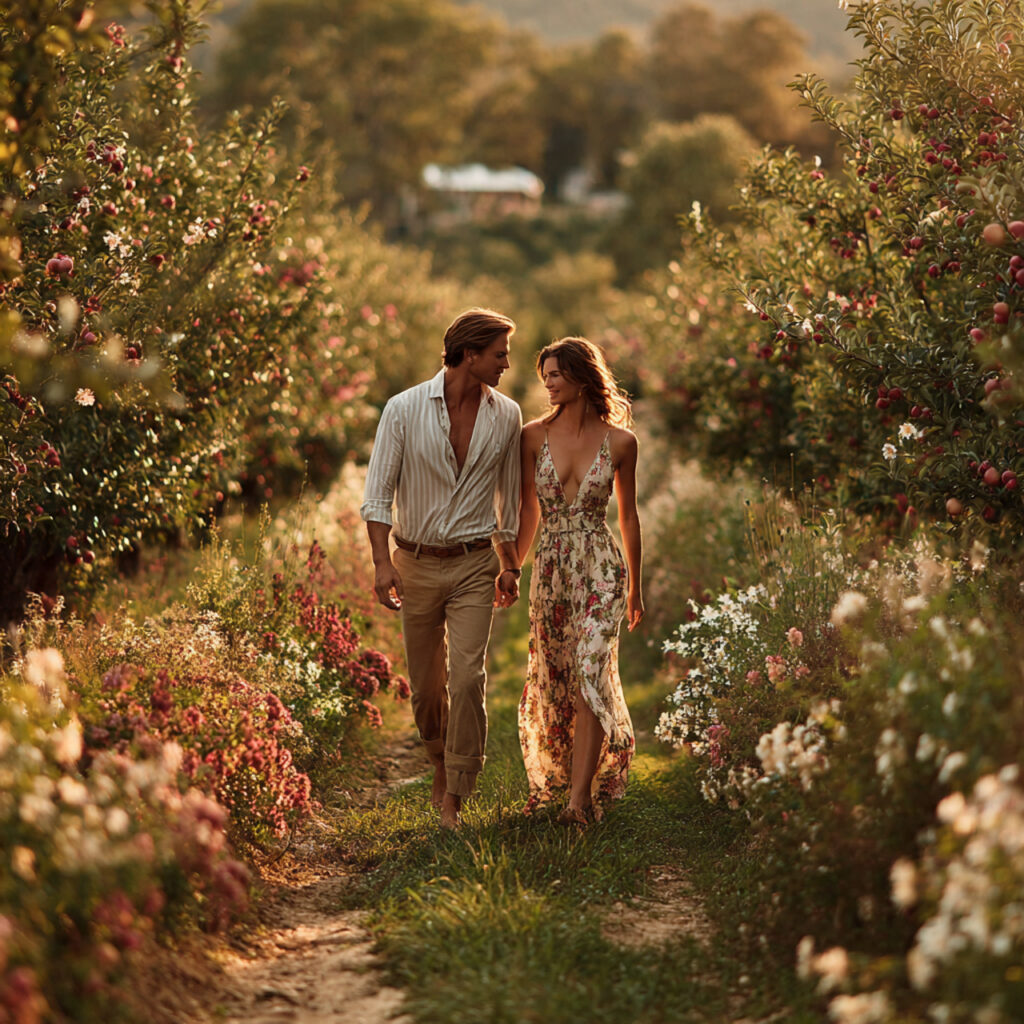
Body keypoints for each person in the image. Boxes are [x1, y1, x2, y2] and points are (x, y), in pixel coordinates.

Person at [360, 308, 523, 830]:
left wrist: (509, 563)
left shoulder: (508, 414)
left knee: (469, 676)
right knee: (428, 688)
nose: (506, 363)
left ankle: (455, 791)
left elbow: (511, 499)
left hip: (475, 564)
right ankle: (437, 760)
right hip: (416, 563)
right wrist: (382, 563)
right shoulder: (403, 408)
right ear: (469, 354)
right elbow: (377, 494)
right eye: (499, 353)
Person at [516, 336, 643, 825]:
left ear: (581, 376)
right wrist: (512, 567)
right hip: (550, 569)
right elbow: (528, 510)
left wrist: (635, 586)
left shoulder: (622, 442)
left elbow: (628, 518)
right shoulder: (531, 436)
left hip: (600, 567)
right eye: (544, 374)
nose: (547, 382)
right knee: (558, 677)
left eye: (555, 374)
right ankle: (570, 780)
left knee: (590, 672)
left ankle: (578, 802)